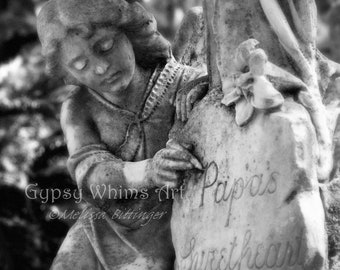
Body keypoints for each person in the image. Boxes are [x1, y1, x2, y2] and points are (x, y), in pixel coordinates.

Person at [37, 0, 207, 269]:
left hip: (167, 219)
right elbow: (90, 173)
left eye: (105, 47)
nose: (101, 67)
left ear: (131, 32)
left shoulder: (182, 83)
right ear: (67, 71)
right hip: (103, 226)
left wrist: (205, 91)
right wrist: (149, 171)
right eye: (80, 65)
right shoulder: (78, 108)